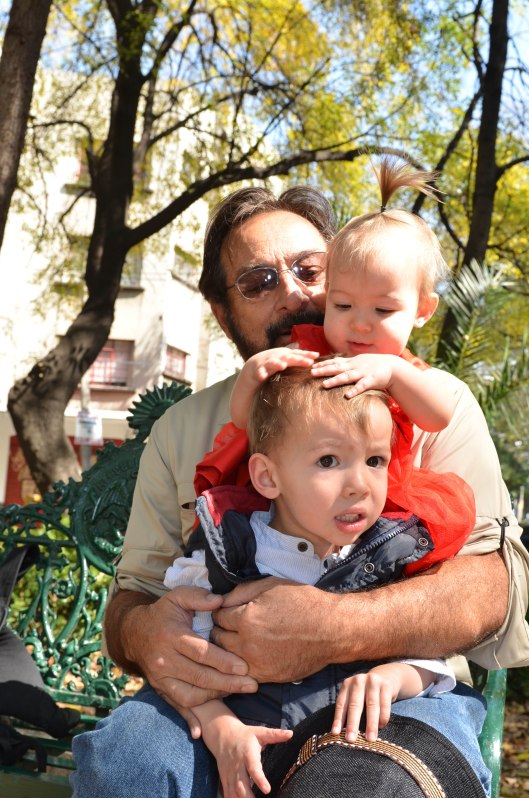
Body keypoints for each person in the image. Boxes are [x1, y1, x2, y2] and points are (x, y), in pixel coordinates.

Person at [71, 183, 529, 798]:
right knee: (126, 765)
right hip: (226, 694)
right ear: (222, 312)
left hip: (394, 692)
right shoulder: (185, 431)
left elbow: (491, 589)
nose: (292, 293)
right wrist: (147, 635)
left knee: (361, 786)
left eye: (310, 270)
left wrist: (335, 626)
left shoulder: (427, 402)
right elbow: (134, 598)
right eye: (259, 281)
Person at [164, 371, 469, 798]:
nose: (359, 485)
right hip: (239, 758)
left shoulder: (392, 550)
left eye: (375, 461)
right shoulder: (227, 552)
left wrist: (395, 676)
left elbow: (431, 659)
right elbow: (181, 657)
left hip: (344, 762)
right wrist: (220, 727)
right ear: (267, 477)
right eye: (328, 461)